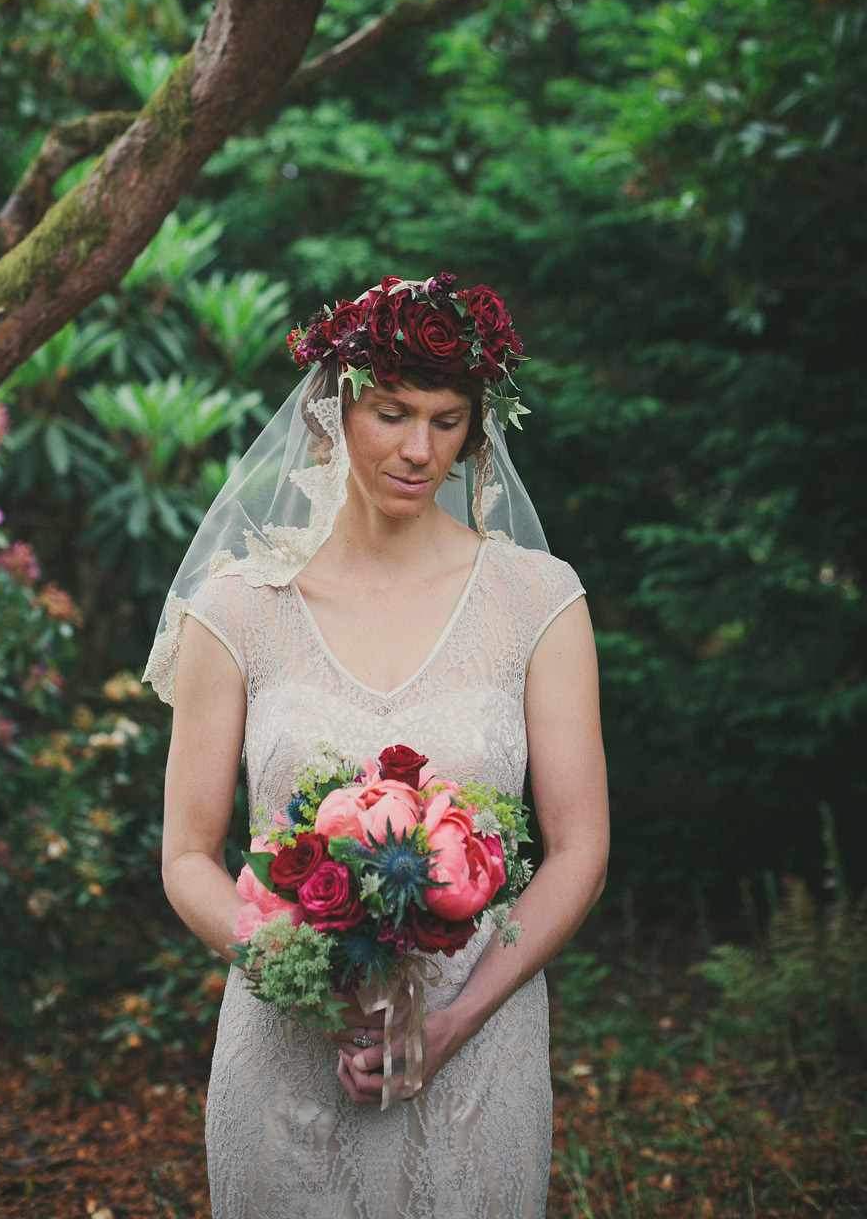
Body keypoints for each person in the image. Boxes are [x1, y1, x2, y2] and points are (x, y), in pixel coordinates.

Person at [145, 273, 608, 1219]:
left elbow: (582, 849)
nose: (417, 449)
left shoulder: (538, 598)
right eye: (392, 413)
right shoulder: (238, 607)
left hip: (480, 1050)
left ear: (477, 430)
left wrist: (450, 1023)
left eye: (446, 422)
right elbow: (188, 856)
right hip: (286, 1052)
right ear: (331, 412)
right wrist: (305, 982)